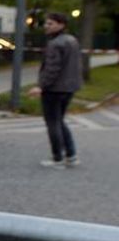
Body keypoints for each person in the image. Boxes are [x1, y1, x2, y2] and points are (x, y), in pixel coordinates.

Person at [28, 12, 82, 169]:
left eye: (50, 23)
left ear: (61, 25)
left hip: (54, 89)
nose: (46, 26)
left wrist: (41, 86)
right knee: (60, 121)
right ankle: (71, 155)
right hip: (69, 88)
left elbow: (52, 69)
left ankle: (57, 157)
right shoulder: (72, 40)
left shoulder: (55, 44)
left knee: (53, 123)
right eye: (46, 23)